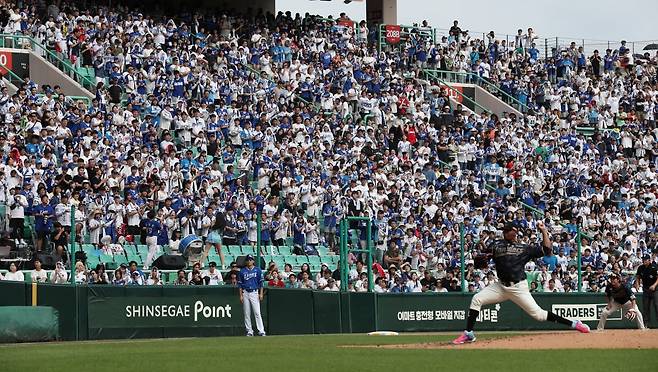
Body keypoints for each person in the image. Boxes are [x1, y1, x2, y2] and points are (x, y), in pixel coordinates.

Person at [452, 222, 590, 344]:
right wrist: (481, 258)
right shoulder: (496, 245)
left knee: (539, 315)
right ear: (506, 232)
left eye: (516, 231)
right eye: (513, 231)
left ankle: (574, 324)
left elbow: (547, 250)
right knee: (476, 299)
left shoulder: (523, 248)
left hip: (518, 287)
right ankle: (469, 333)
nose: (516, 233)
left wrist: (543, 231)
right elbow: (481, 260)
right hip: (501, 286)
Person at [238, 254, 265, 336]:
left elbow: (261, 283)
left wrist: (261, 294)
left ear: (253, 261)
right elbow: (240, 285)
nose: (249, 261)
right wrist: (241, 295)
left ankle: (261, 330)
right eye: (248, 260)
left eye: (251, 260)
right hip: (245, 292)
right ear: (246, 261)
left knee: (257, 312)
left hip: (254, 292)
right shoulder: (242, 271)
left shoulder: (258, 270)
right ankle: (249, 331)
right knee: (247, 313)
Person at [635, 254, 658, 328]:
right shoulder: (640, 268)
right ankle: (646, 324)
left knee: (657, 306)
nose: (644, 261)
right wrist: (637, 284)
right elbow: (638, 277)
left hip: (655, 289)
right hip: (646, 289)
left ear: (649, 260)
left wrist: (654, 285)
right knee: (645, 307)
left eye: (645, 259)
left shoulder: (654, 267)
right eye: (643, 259)